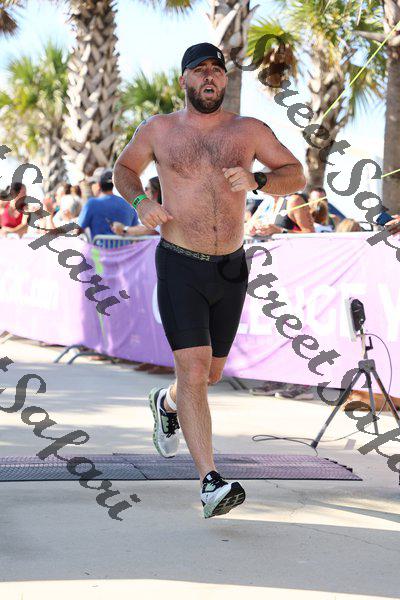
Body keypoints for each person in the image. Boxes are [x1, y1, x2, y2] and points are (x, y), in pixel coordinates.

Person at [114, 42, 306, 519]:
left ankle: (166, 403)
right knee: (195, 368)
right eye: (199, 70)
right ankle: (210, 482)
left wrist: (259, 181)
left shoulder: (248, 130)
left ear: (225, 79)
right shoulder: (159, 130)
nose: (209, 77)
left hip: (230, 267)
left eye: (217, 70)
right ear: (184, 80)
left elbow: (296, 174)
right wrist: (140, 202)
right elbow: (124, 169)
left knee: (210, 374)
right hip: (180, 263)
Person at [76, 168, 139, 242]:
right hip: (126, 249)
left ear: (98, 185)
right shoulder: (128, 204)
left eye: (92, 184)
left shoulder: (92, 204)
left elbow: (77, 230)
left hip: (99, 249)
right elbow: (136, 230)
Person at [245, 192, 314, 236]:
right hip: (269, 253)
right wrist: (252, 229)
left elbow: (311, 234)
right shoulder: (267, 201)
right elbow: (247, 226)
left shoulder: (294, 200)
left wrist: (281, 231)